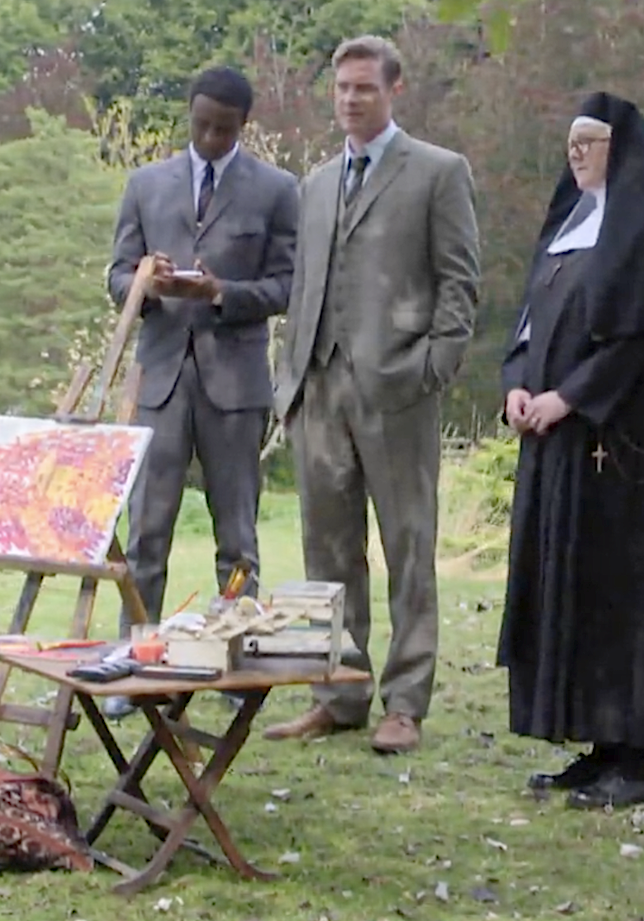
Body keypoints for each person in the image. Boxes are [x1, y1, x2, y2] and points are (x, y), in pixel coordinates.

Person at [497, 92, 644, 809]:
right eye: (571, 141)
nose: (577, 152)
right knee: (577, 588)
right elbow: (530, 327)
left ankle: (638, 760)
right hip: (563, 446)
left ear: (621, 149)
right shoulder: (567, 227)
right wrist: (517, 386)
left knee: (627, 596)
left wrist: (569, 397)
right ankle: (597, 747)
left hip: (629, 452)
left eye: (590, 141)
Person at [267, 35, 480, 754]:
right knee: (327, 553)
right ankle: (339, 692)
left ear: (395, 90)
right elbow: (304, 287)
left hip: (397, 390)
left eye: (364, 87)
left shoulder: (439, 173)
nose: (350, 99)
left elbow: (460, 284)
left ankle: (406, 703)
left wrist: (432, 368)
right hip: (317, 389)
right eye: (341, 88)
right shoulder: (317, 182)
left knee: (408, 548)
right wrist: (288, 380)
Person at [106, 66, 299, 718]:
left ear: (244, 125)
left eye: (224, 128)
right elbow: (115, 276)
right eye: (202, 124)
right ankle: (138, 659)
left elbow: (287, 286)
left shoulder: (276, 190)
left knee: (238, 534)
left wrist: (221, 293)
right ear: (188, 114)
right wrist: (146, 283)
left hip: (235, 383)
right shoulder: (146, 184)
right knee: (146, 534)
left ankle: (239, 659)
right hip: (160, 379)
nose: (211, 137)